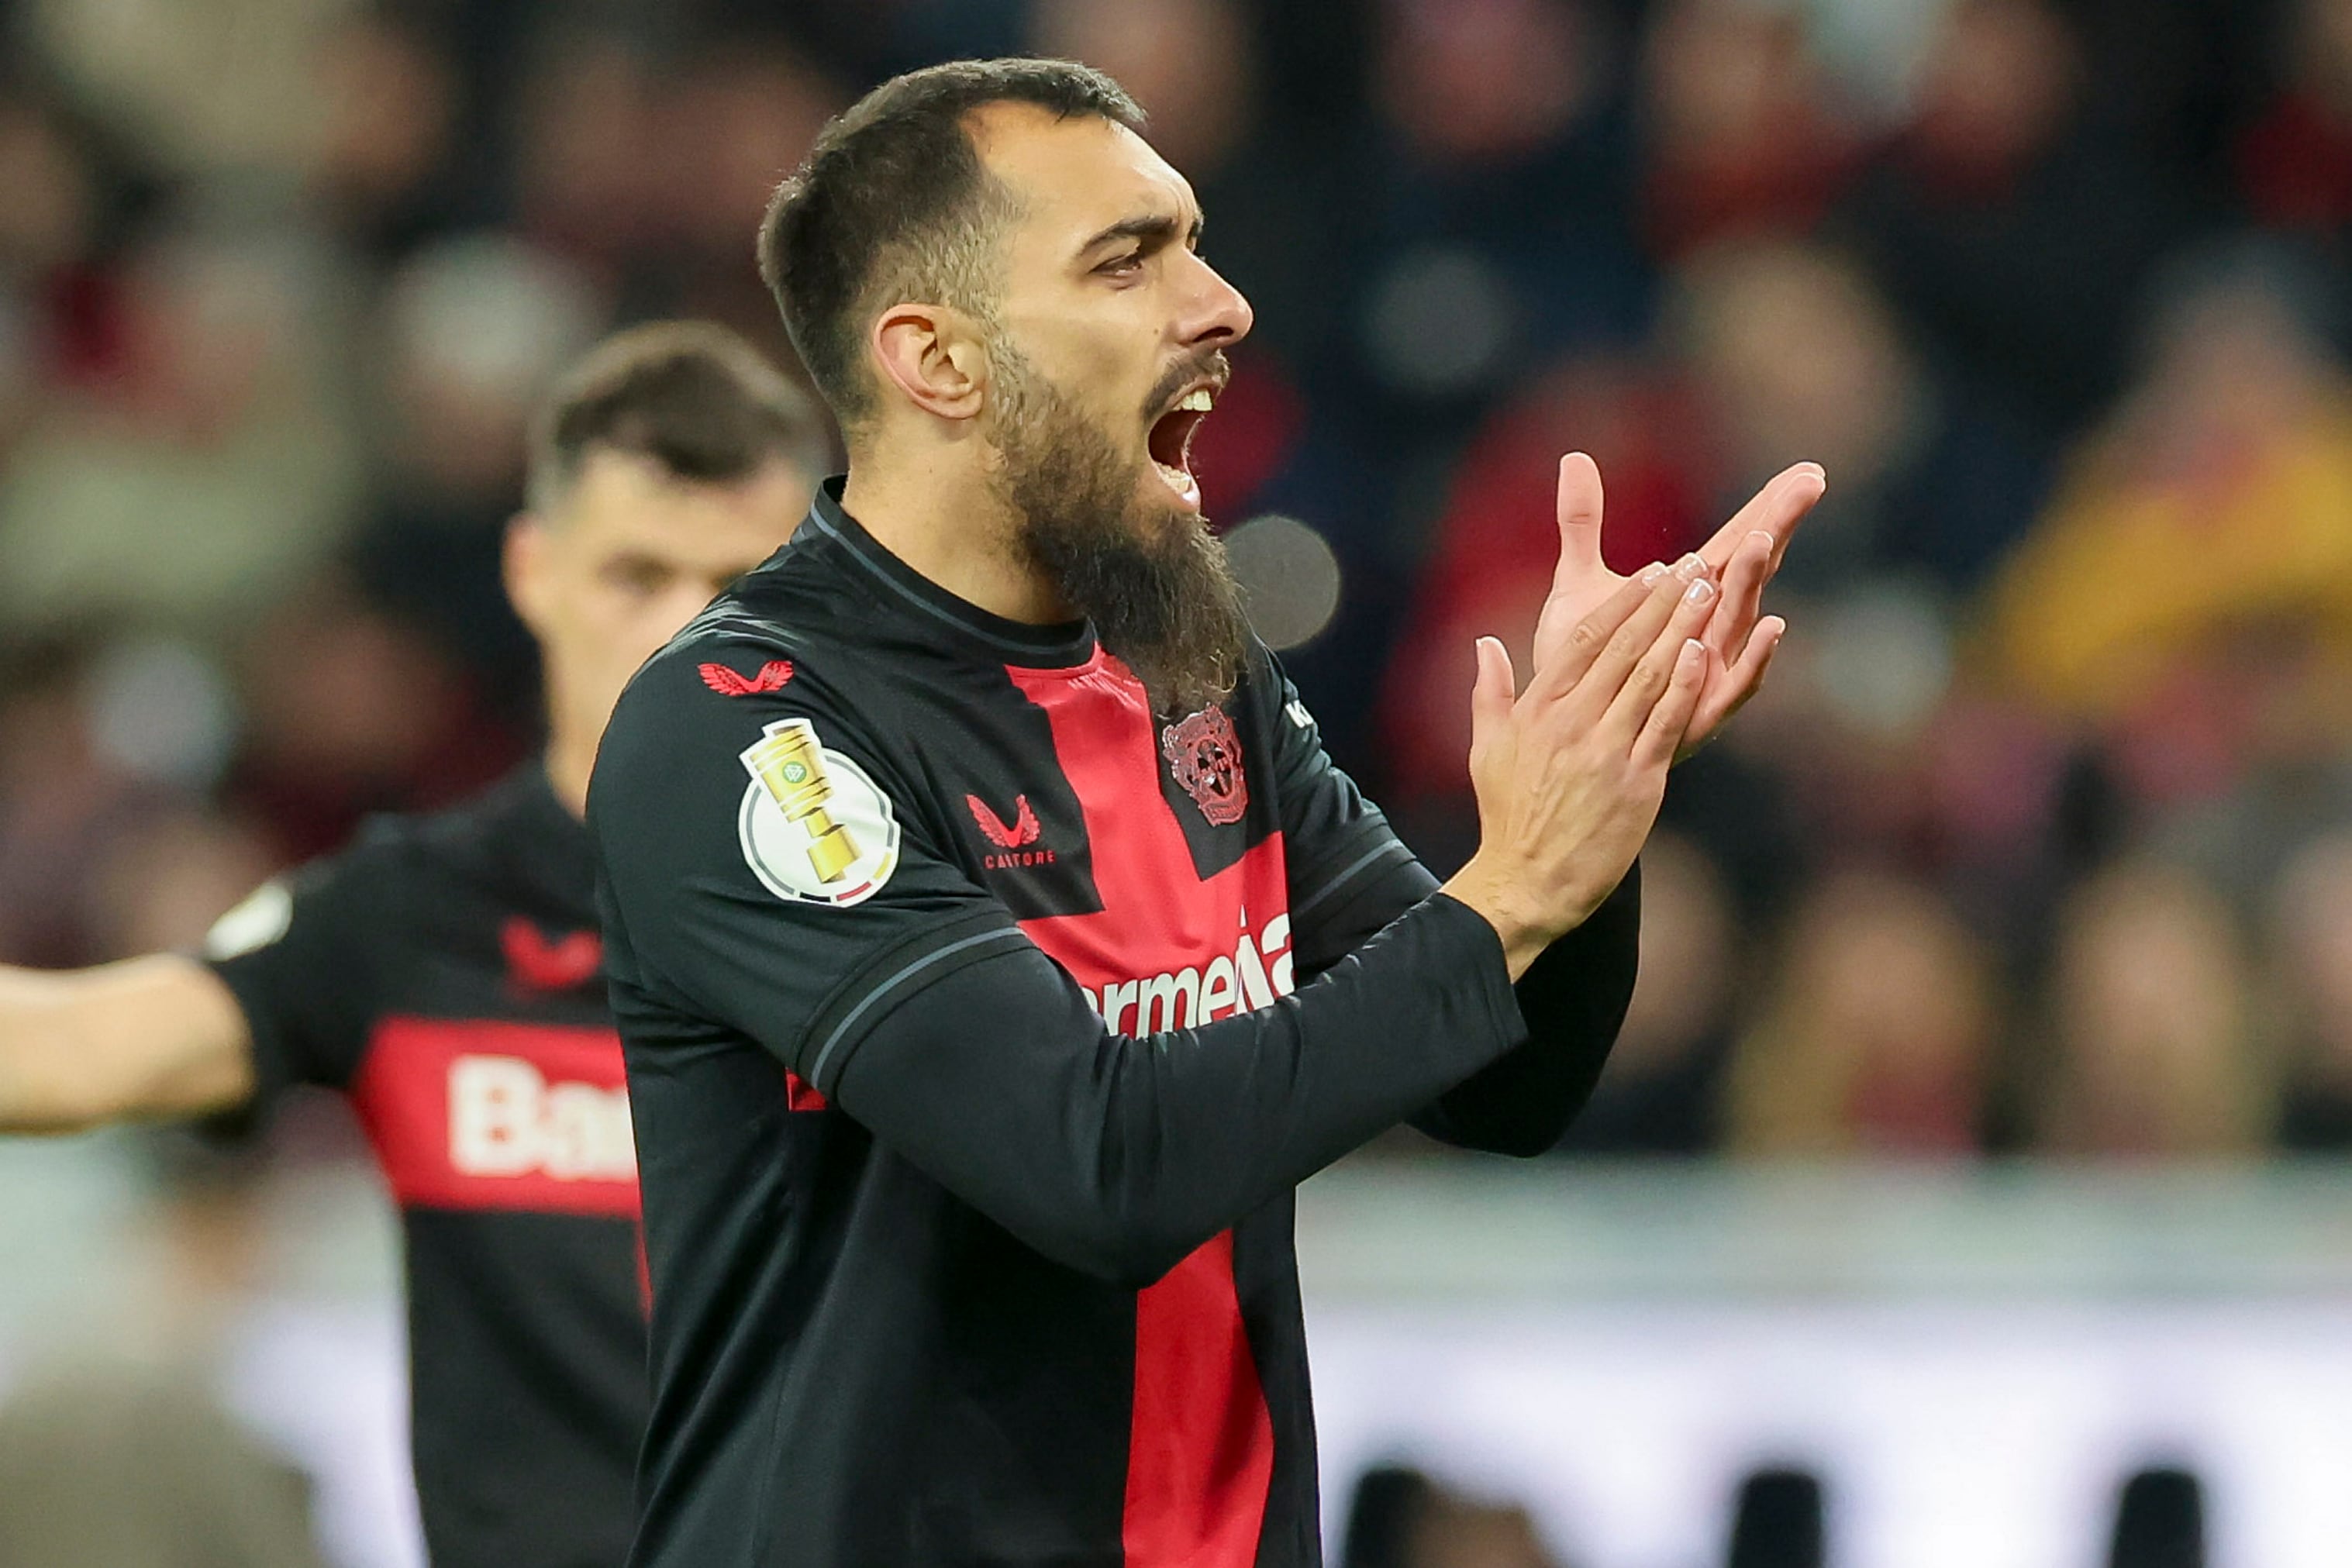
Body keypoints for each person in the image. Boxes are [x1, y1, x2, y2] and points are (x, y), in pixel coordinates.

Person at [589, 60, 1821, 1568]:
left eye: (1192, 239)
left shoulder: (1180, 663)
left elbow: (1499, 1079)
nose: (1222, 303)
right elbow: (1091, 1163)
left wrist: (1594, 795)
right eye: (1126, 260)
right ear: (938, 360)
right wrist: (1510, 891)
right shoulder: (749, 731)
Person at [0, 320, 829, 1568]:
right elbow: (58, 1053)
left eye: (734, 587)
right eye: (634, 577)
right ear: (533, 570)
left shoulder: (935, 915)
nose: (683, 636)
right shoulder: (408, 919)